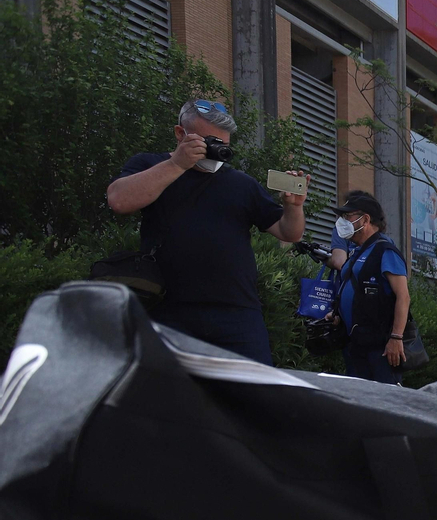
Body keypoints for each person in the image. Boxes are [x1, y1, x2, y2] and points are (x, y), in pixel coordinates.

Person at [106, 99, 307, 365]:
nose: (216, 152)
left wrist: (293, 207)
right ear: (181, 134)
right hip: (167, 310)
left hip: (236, 314)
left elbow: (288, 233)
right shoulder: (151, 165)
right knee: (171, 398)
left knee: (254, 397)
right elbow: (119, 201)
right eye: (208, 142)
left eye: (223, 145)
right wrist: (177, 164)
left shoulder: (241, 184)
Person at [325, 193, 410, 384]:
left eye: (348, 217)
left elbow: (403, 297)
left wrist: (396, 338)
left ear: (365, 219)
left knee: (384, 404)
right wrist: (338, 316)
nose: (343, 222)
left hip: (380, 347)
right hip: (355, 345)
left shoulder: (384, 251)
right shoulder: (355, 253)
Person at [327, 189, 377, 270]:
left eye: (348, 215)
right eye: (343, 216)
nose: (343, 221)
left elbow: (339, 262)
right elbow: (339, 262)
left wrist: (326, 259)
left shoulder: (385, 247)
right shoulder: (341, 230)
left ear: (365, 219)